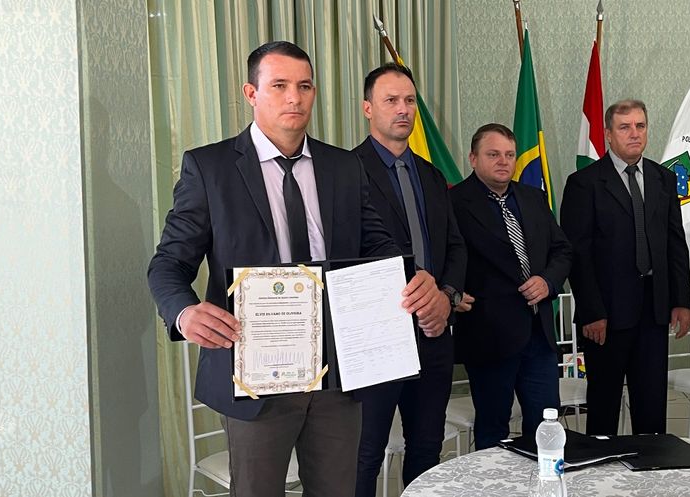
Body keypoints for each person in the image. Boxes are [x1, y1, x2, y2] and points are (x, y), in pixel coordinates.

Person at [147, 41, 441, 497]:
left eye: (304, 86)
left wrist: (414, 278)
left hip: (337, 372)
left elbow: (380, 245)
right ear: (251, 93)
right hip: (254, 375)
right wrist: (184, 312)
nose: (294, 98)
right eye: (279, 85)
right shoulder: (210, 167)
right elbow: (168, 262)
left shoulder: (344, 166)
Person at [351, 63, 467, 494]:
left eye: (410, 101)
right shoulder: (345, 172)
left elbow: (455, 247)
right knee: (365, 455)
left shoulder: (432, 175)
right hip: (376, 337)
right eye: (391, 100)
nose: (403, 109)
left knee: (426, 449)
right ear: (368, 108)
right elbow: (346, 254)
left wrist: (446, 297)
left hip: (434, 334)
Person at [560, 99, 690, 436]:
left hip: (654, 308)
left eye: (640, 126)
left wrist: (682, 300)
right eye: (625, 127)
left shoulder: (664, 178)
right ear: (608, 134)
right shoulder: (584, 183)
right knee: (604, 404)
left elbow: (675, 243)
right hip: (606, 314)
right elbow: (578, 254)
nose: (634, 134)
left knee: (651, 402)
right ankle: (601, 465)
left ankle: (651, 461)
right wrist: (591, 311)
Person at [450, 123, 572, 450]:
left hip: (539, 335)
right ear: (473, 158)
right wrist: (451, 293)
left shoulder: (533, 197)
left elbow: (562, 250)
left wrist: (548, 281)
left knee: (545, 427)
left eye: (509, 154)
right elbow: (443, 256)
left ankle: (541, 478)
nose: (503, 161)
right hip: (489, 336)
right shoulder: (454, 202)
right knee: (493, 431)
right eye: (493, 154)